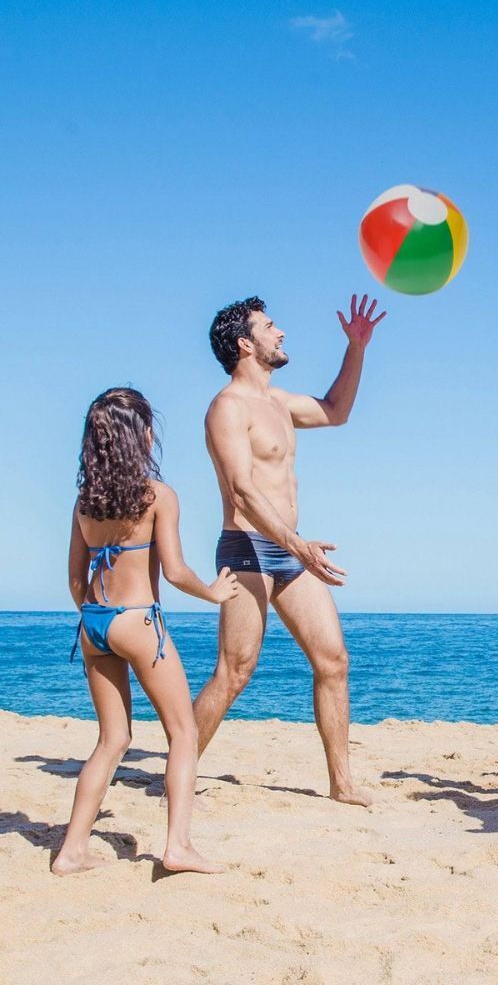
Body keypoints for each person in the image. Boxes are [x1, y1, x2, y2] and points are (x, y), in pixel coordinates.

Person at [194, 294, 384, 807]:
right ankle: (179, 770)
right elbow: (241, 491)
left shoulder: (278, 403)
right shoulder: (227, 407)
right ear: (244, 343)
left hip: (291, 552)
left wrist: (357, 348)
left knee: (333, 660)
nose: (280, 333)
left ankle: (342, 784)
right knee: (235, 671)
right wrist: (298, 545)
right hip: (247, 549)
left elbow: (337, 411)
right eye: (270, 326)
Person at [55, 387, 238, 876]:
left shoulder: (84, 501)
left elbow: (75, 579)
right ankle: (177, 846)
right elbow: (175, 572)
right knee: (182, 733)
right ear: (142, 436)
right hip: (138, 620)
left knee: (111, 740)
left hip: (93, 622)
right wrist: (214, 592)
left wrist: (99, 617)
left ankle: (72, 851)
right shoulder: (157, 495)